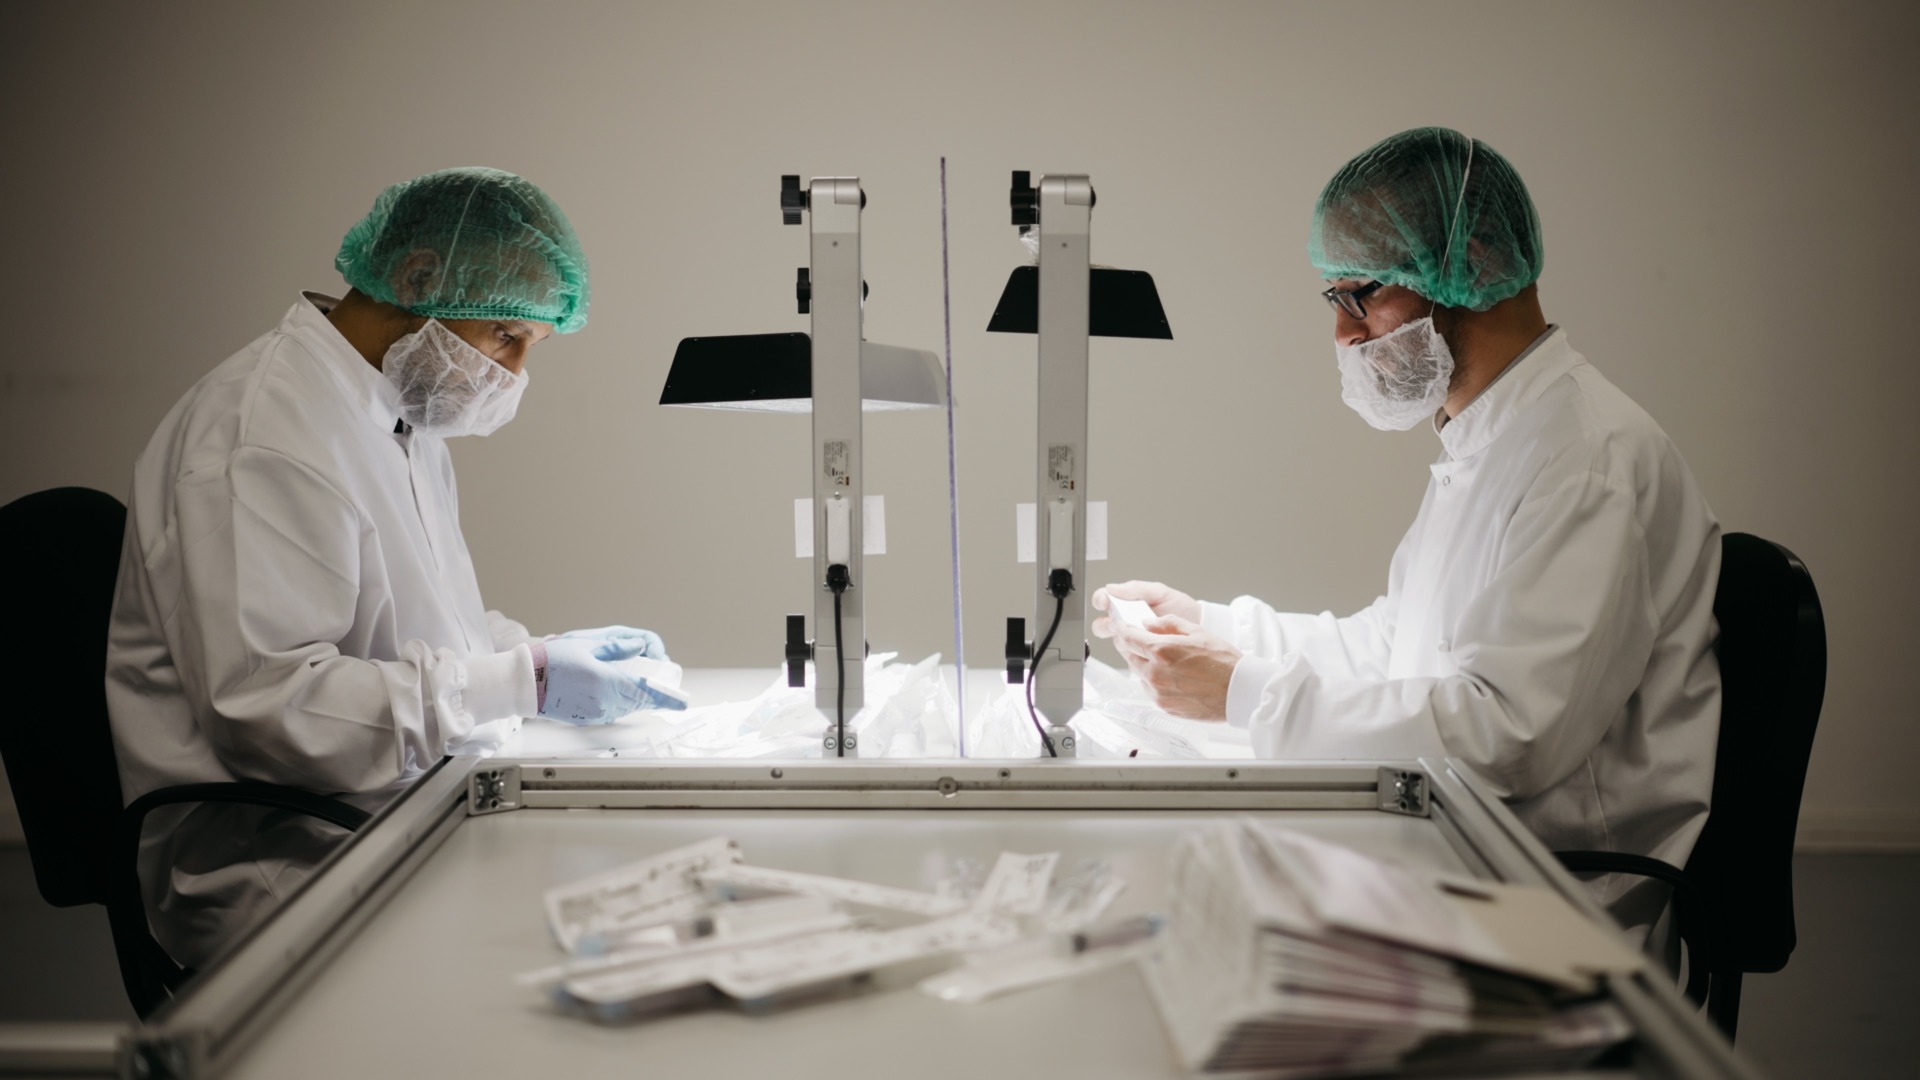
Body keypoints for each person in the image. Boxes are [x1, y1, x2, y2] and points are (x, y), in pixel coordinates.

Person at [1094, 128, 1721, 947]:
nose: (1344, 333)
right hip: (1461, 854)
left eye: (1361, 295)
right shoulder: (1494, 440)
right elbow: (1393, 649)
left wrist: (1243, 692)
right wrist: (1213, 630)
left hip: (1546, 912)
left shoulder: (1586, 457)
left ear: (1472, 265)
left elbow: (1504, 737)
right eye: (1334, 300)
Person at [105, 167, 683, 967]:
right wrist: (522, 683)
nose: (514, 374)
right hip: (284, 862)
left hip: (391, 809)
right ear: (416, 279)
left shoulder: (396, 415)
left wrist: (532, 654)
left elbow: (419, 619)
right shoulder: (266, 433)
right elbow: (272, 713)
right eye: (505, 335)